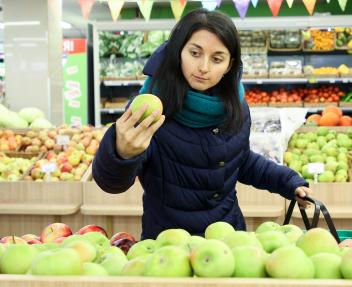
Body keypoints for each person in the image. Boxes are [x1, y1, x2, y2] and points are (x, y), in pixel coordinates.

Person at [93, 8, 313, 240]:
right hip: (169, 246)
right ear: (178, 52)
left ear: (230, 65)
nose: (204, 67)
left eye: (217, 59)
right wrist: (121, 154)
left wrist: (288, 182)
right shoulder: (150, 109)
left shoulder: (235, 105)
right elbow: (111, 184)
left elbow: (241, 160)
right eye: (195, 53)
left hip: (228, 239)